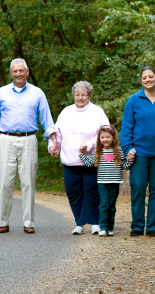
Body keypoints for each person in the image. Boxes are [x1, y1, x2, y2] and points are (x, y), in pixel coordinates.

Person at [0, 58, 58, 234]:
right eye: (15, 71)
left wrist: (54, 138)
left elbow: (46, 118)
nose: (18, 74)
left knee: (28, 182)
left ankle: (29, 222)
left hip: (29, 139)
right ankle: (2, 222)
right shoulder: (1, 93)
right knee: (5, 182)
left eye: (21, 70)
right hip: (5, 139)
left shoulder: (37, 93)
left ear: (27, 71)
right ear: (11, 73)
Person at [48, 81, 109, 235]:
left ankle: (95, 222)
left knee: (92, 192)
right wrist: (53, 146)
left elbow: (105, 133)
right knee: (73, 192)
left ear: (89, 95)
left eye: (83, 95)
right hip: (70, 161)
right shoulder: (66, 112)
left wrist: (88, 146)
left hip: (90, 161)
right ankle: (79, 223)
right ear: (73, 95)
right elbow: (57, 134)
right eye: (77, 95)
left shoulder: (97, 112)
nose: (80, 98)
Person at [120, 66, 155, 237]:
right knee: (138, 188)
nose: (148, 80)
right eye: (144, 77)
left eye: (151, 77)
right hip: (139, 153)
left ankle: (152, 227)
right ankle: (137, 225)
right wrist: (128, 148)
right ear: (141, 80)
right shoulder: (133, 100)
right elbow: (126, 127)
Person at [79, 125, 133, 236]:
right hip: (102, 183)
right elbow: (89, 163)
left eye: (108, 137)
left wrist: (131, 160)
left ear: (113, 138)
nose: (105, 139)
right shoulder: (97, 152)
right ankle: (103, 227)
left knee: (111, 206)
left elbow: (124, 165)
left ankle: (110, 227)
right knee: (104, 205)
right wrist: (81, 154)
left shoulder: (118, 151)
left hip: (115, 183)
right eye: (102, 137)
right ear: (99, 139)